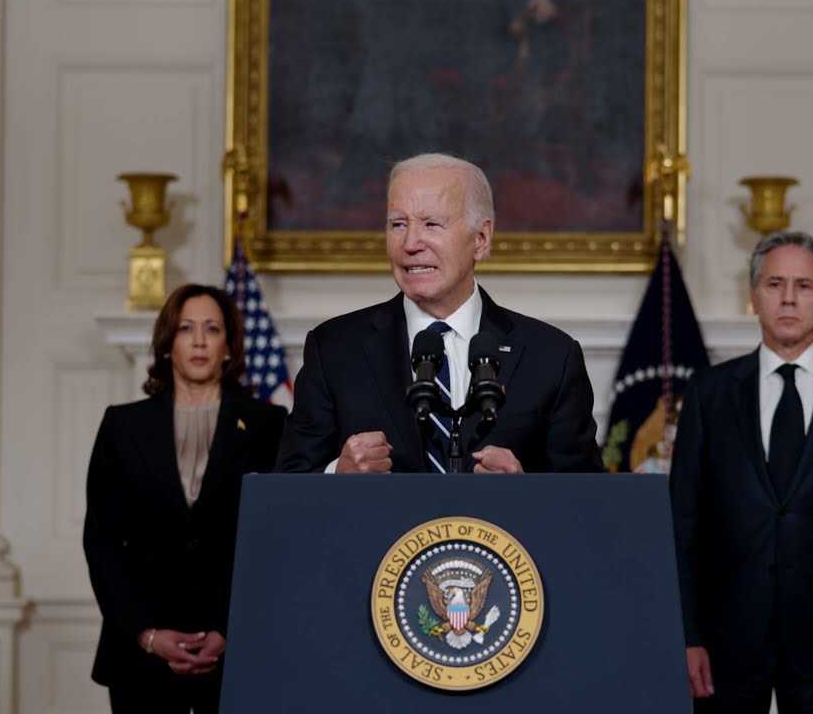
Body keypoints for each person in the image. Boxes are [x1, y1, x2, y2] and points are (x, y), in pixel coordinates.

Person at [669, 231, 813, 712]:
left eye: (804, 286)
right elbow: (682, 525)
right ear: (754, 296)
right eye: (775, 284)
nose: (789, 298)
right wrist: (685, 634)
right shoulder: (709, 392)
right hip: (723, 642)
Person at [275, 152, 603, 475]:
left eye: (432, 224)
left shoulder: (551, 357)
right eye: (398, 224)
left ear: (481, 238)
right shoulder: (334, 349)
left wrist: (521, 491)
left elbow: (588, 503)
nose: (411, 243)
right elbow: (284, 493)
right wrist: (337, 474)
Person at [83, 284, 287, 713]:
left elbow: (278, 540)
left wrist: (230, 628)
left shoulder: (269, 424)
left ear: (228, 347)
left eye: (211, 329)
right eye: (185, 329)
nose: (198, 341)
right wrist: (147, 635)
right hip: (140, 655)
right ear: (166, 344)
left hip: (239, 648)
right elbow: (101, 544)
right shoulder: (122, 425)